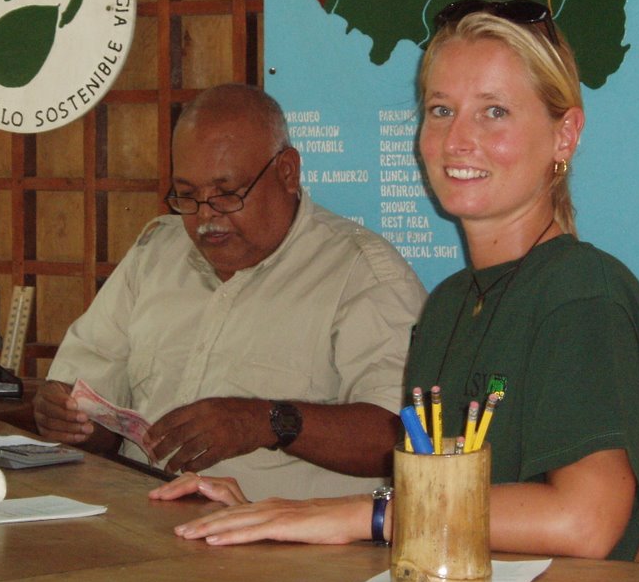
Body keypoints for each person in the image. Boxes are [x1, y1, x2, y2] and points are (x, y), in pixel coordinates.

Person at [150, 0, 639, 561]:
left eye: (494, 112)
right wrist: (268, 511)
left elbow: (585, 520)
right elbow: (440, 510)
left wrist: (362, 515)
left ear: (565, 135)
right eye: (441, 110)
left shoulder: (582, 290)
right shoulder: (449, 305)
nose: (457, 139)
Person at [34, 83, 427, 500]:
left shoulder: (362, 274)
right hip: (141, 518)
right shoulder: (156, 252)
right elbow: (94, 412)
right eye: (187, 195)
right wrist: (68, 418)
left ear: (287, 172)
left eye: (227, 194)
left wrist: (267, 422)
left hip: (277, 536)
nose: (206, 216)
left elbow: (402, 438)